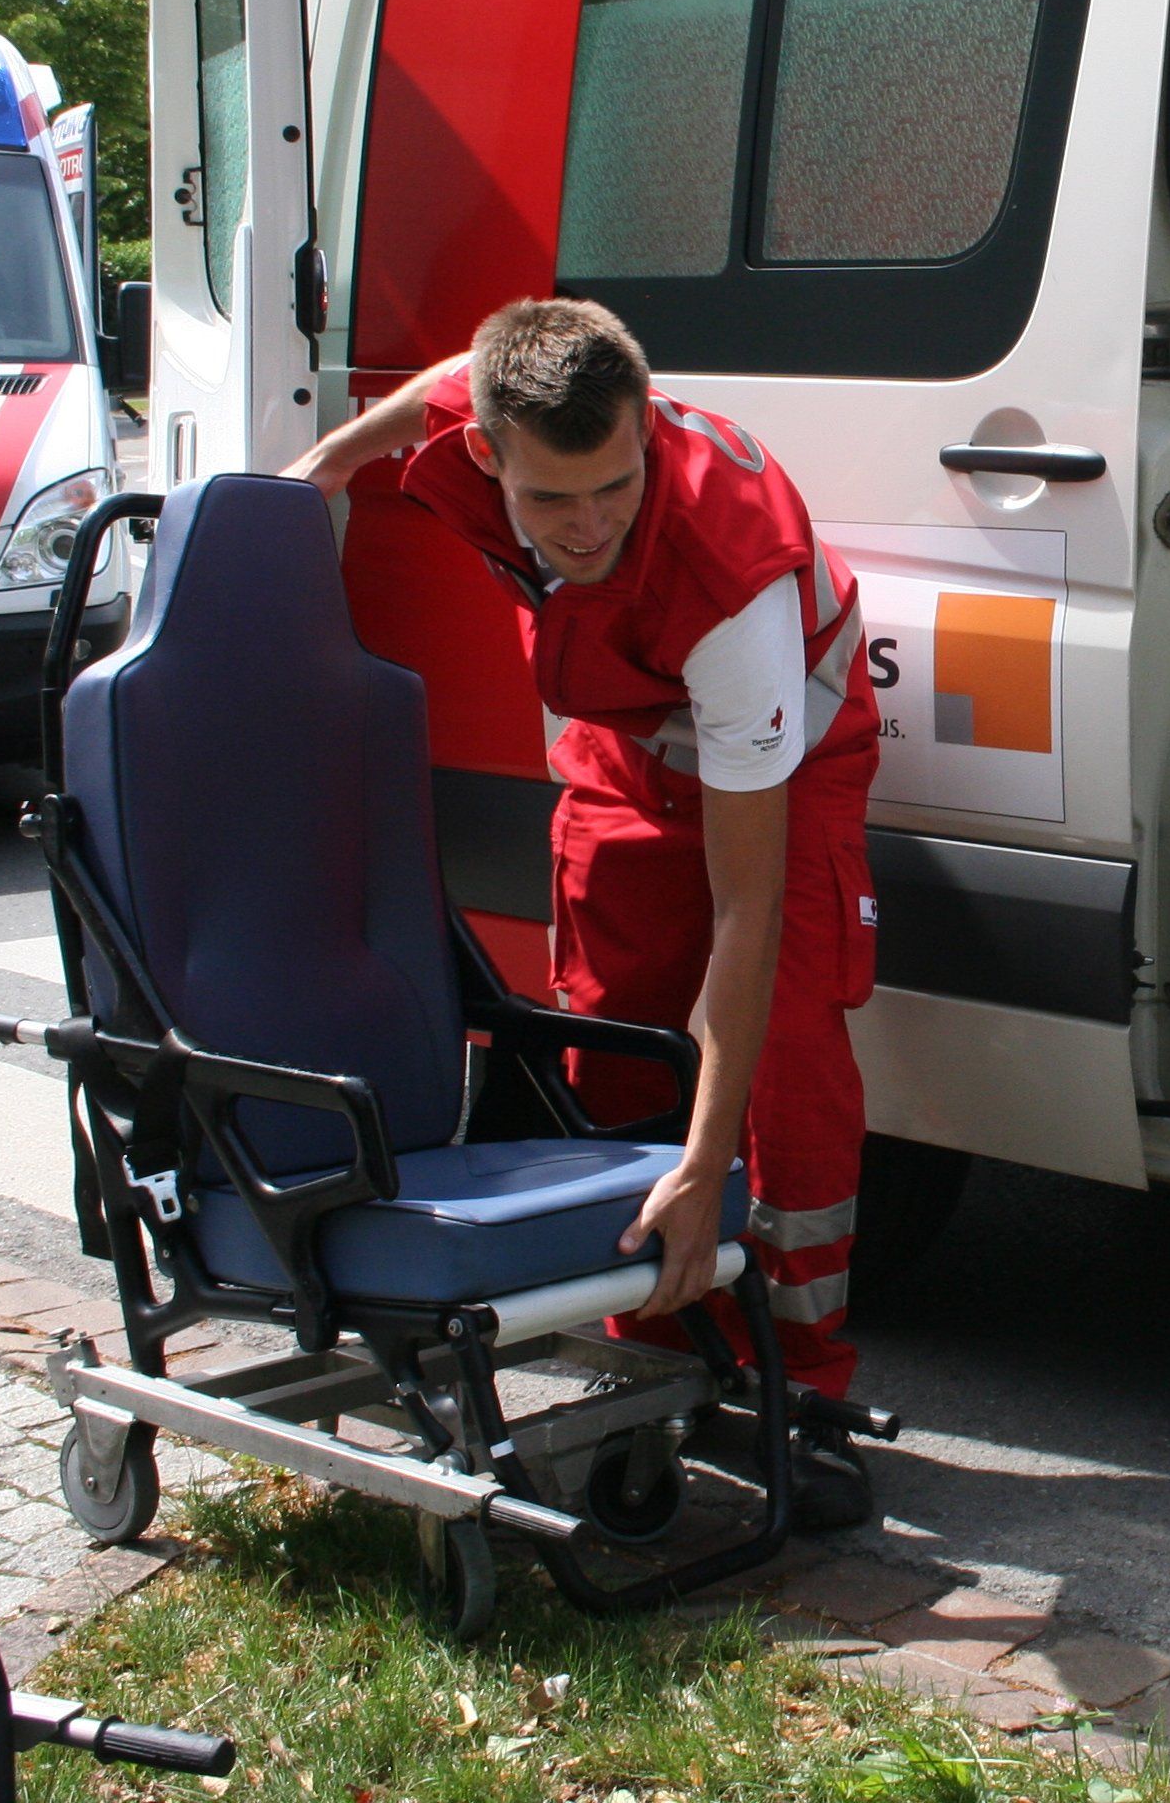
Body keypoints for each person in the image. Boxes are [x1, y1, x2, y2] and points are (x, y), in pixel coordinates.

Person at [289, 298, 883, 1530]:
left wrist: (708, 1167)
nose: (590, 524)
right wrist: (328, 464)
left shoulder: (729, 580)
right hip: (628, 746)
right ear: (487, 455)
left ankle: (800, 1386)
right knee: (610, 1041)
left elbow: (747, 908)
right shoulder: (481, 416)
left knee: (781, 1069)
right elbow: (447, 379)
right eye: (552, 500)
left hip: (783, 765)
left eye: (616, 486)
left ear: (647, 432)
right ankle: (651, 1349)